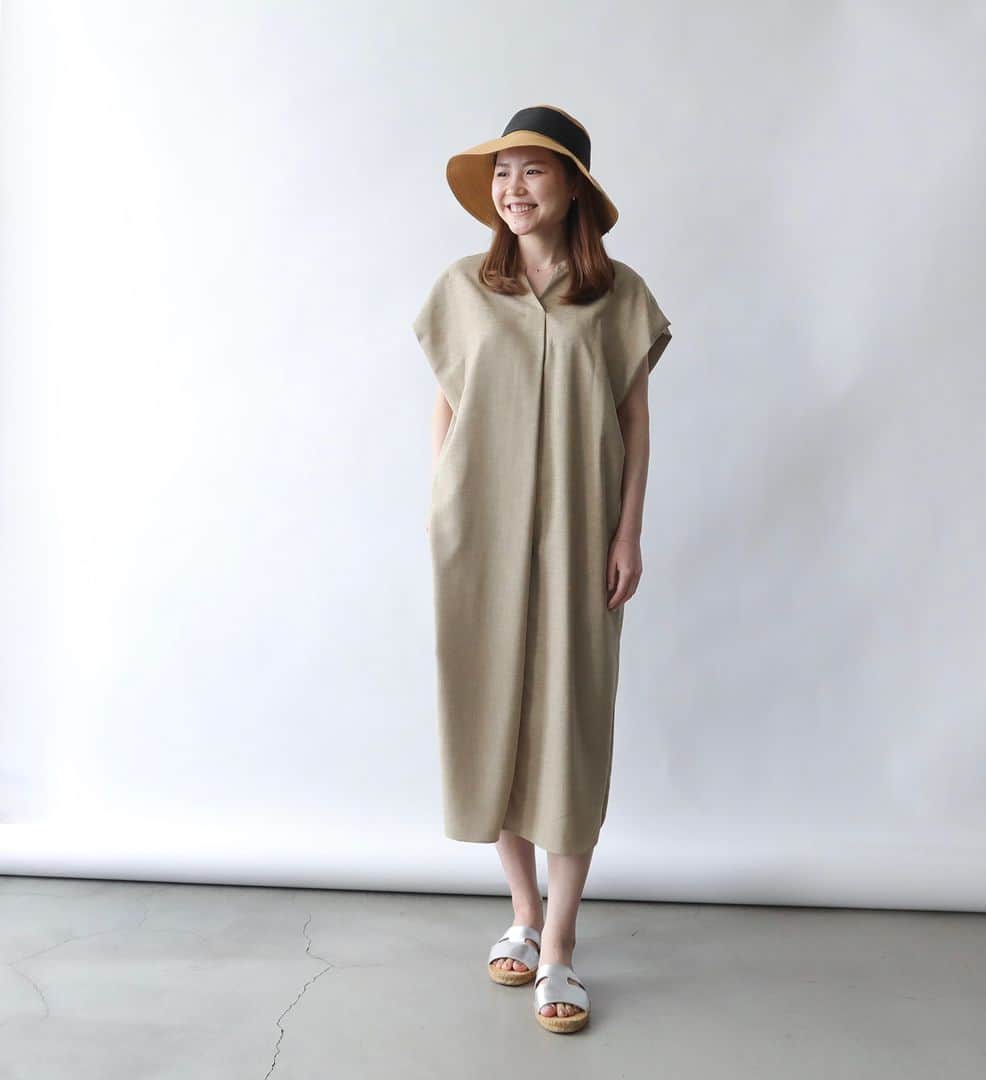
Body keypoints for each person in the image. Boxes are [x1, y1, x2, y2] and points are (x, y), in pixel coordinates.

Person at [412, 104, 672, 1034]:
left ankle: (559, 944)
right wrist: (443, 507)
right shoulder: (462, 287)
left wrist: (627, 532)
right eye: (502, 172)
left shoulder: (621, 296)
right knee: (491, 714)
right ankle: (522, 912)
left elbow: (635, 421)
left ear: (573, 188)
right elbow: (448, 403)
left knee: (569, 725)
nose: (513, 188)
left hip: (580, 534)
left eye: (533, 170)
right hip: (478, 534)